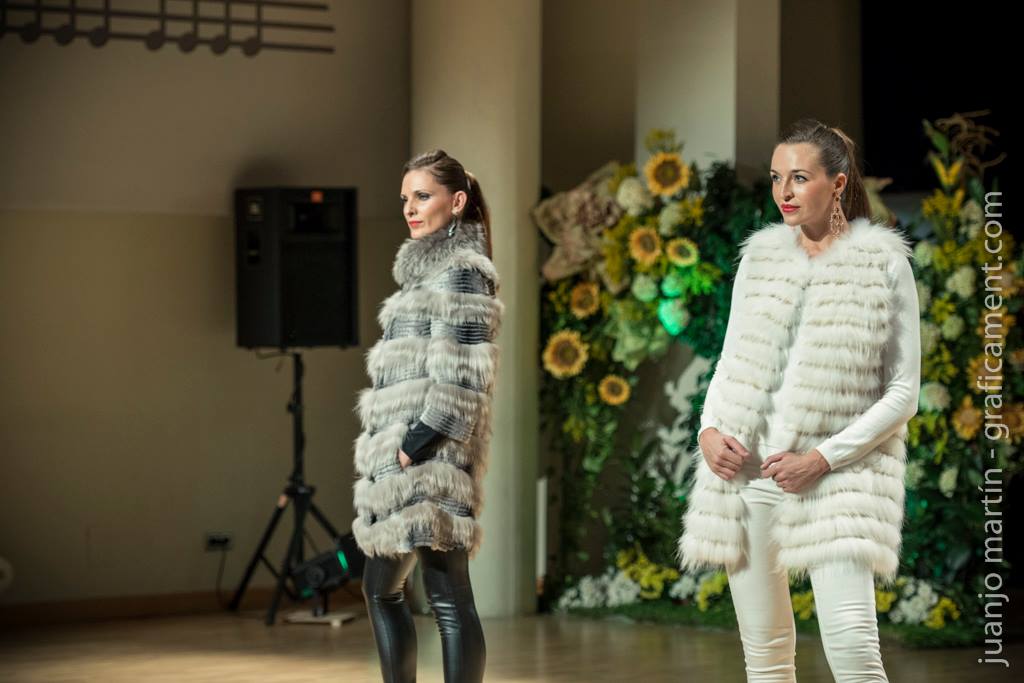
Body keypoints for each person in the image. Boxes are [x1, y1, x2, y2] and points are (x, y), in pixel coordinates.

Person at [677, 118, 921, 682]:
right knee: (764, 655)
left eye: (800, 178)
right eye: (775, 178)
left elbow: (903, 392)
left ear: (838, 184)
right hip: (747, 473)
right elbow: (730, 360)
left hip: (839, 480)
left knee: (854, 651)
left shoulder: (882, 263)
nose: (783, 192)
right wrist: (708, 431)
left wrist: (822, 458)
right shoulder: (760, 258)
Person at [352, 149, 504, 683]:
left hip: (429, 458)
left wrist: (412, 445)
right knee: (389, 590)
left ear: (456, 201)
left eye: (422, 196)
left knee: (445, 597)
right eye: (405, 199)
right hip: (408, 459)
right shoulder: (427, 273)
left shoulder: (461, 273)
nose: (410, 209)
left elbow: (463, 379)